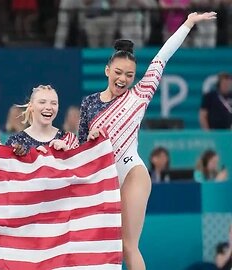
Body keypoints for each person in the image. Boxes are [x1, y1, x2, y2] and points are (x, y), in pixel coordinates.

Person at [78, 11, 216, 269]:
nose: (123, 79)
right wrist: (89, 140)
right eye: (118, 72)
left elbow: (161, 58)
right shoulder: (89, 103)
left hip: (131, 171)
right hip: (102, 179)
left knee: (128, 245)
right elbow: (80, 149)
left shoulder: (140, 95)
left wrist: (187, 24)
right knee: (105, 247)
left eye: (129, 75)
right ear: (107, 70)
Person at [6, 85, 79, 156]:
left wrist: (67, 154)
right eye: (42, 102)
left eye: (54, 103)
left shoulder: (69, 139)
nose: (48, 107)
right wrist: (20, 158)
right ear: (31, 106)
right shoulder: (16, 142)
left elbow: (81, 167)